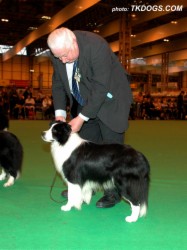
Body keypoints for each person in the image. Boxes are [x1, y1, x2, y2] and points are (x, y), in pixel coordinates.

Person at [47, 27, 132, 208]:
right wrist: (60, 114)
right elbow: (58, 85)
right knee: (86, 148)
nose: (62, 60)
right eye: (58, 57)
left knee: (110, 149)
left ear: (74, 43)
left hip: (111, 99)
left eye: (64, 56)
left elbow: (101, 87)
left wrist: (82, 117)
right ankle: (86, 185)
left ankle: (113, 192)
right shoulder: (58, 53)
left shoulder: (96, 45)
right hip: (86, 100)